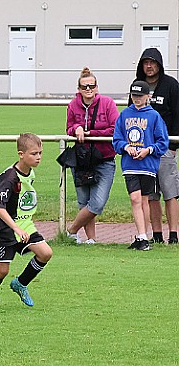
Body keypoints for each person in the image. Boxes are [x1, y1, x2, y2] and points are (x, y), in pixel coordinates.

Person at [0, 133, 53, 310]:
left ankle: (20, 283)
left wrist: (22, 226)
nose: (38, 157)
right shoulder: (9, 177)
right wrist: (16, 228)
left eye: (40, 153)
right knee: (2, 271)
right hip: (1, 227)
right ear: (21, 154)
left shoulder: (29, 173)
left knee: (45, 253)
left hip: (22, 224)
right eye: (34, 153)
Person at [130, 48, 179, 244]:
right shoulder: (137, 86)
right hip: (143, 151)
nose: (149, 66)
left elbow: (177, 115)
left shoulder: (171, 86)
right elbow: (130, 115)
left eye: (153, 62)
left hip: (165, 148)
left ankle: (173, 234)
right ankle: (156, 234)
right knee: (151, 195)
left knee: (170, 192)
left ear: (159, 64)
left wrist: (174, 145)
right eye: (146, 62)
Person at [66, 67, 119, 244]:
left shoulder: (108, 103)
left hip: (104, 159)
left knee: (96, 203)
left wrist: (90, 133)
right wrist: (76, 129)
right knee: (84, 201)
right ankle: (91, 240)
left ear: (96, 87)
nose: (88, 90)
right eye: (84, 87)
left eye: (91, 86)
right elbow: (68, 128)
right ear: (79, 89)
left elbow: (114, 129)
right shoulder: (73, 105)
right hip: (82, 160)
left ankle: (71, 230)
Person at [113, 81, 169, 251]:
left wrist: (149, 150)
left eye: (140, 96)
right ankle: (143, 236)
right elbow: (116, 140)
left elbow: (162, 142)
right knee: (135, 198)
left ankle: (142, 236)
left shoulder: (154, 116)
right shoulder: (124, 115)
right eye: (134, 96)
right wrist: (125, 147)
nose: (137, 99)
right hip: (130, 165)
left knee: (144, 200)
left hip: (148, 165)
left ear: (147, 97)